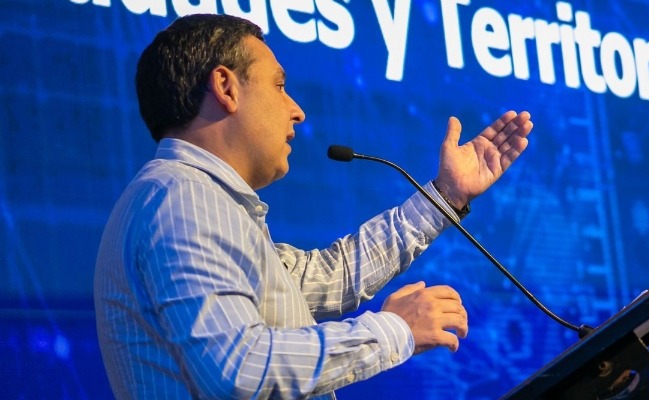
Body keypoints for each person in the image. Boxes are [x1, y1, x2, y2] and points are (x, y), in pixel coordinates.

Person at [94, 13, 533, 399]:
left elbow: (328, 278)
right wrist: (393, 330)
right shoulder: (182, 200)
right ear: (226, 87)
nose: (297, 110)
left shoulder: (196, 200)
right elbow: (238, 370)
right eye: (279, 85)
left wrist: (446, 196)